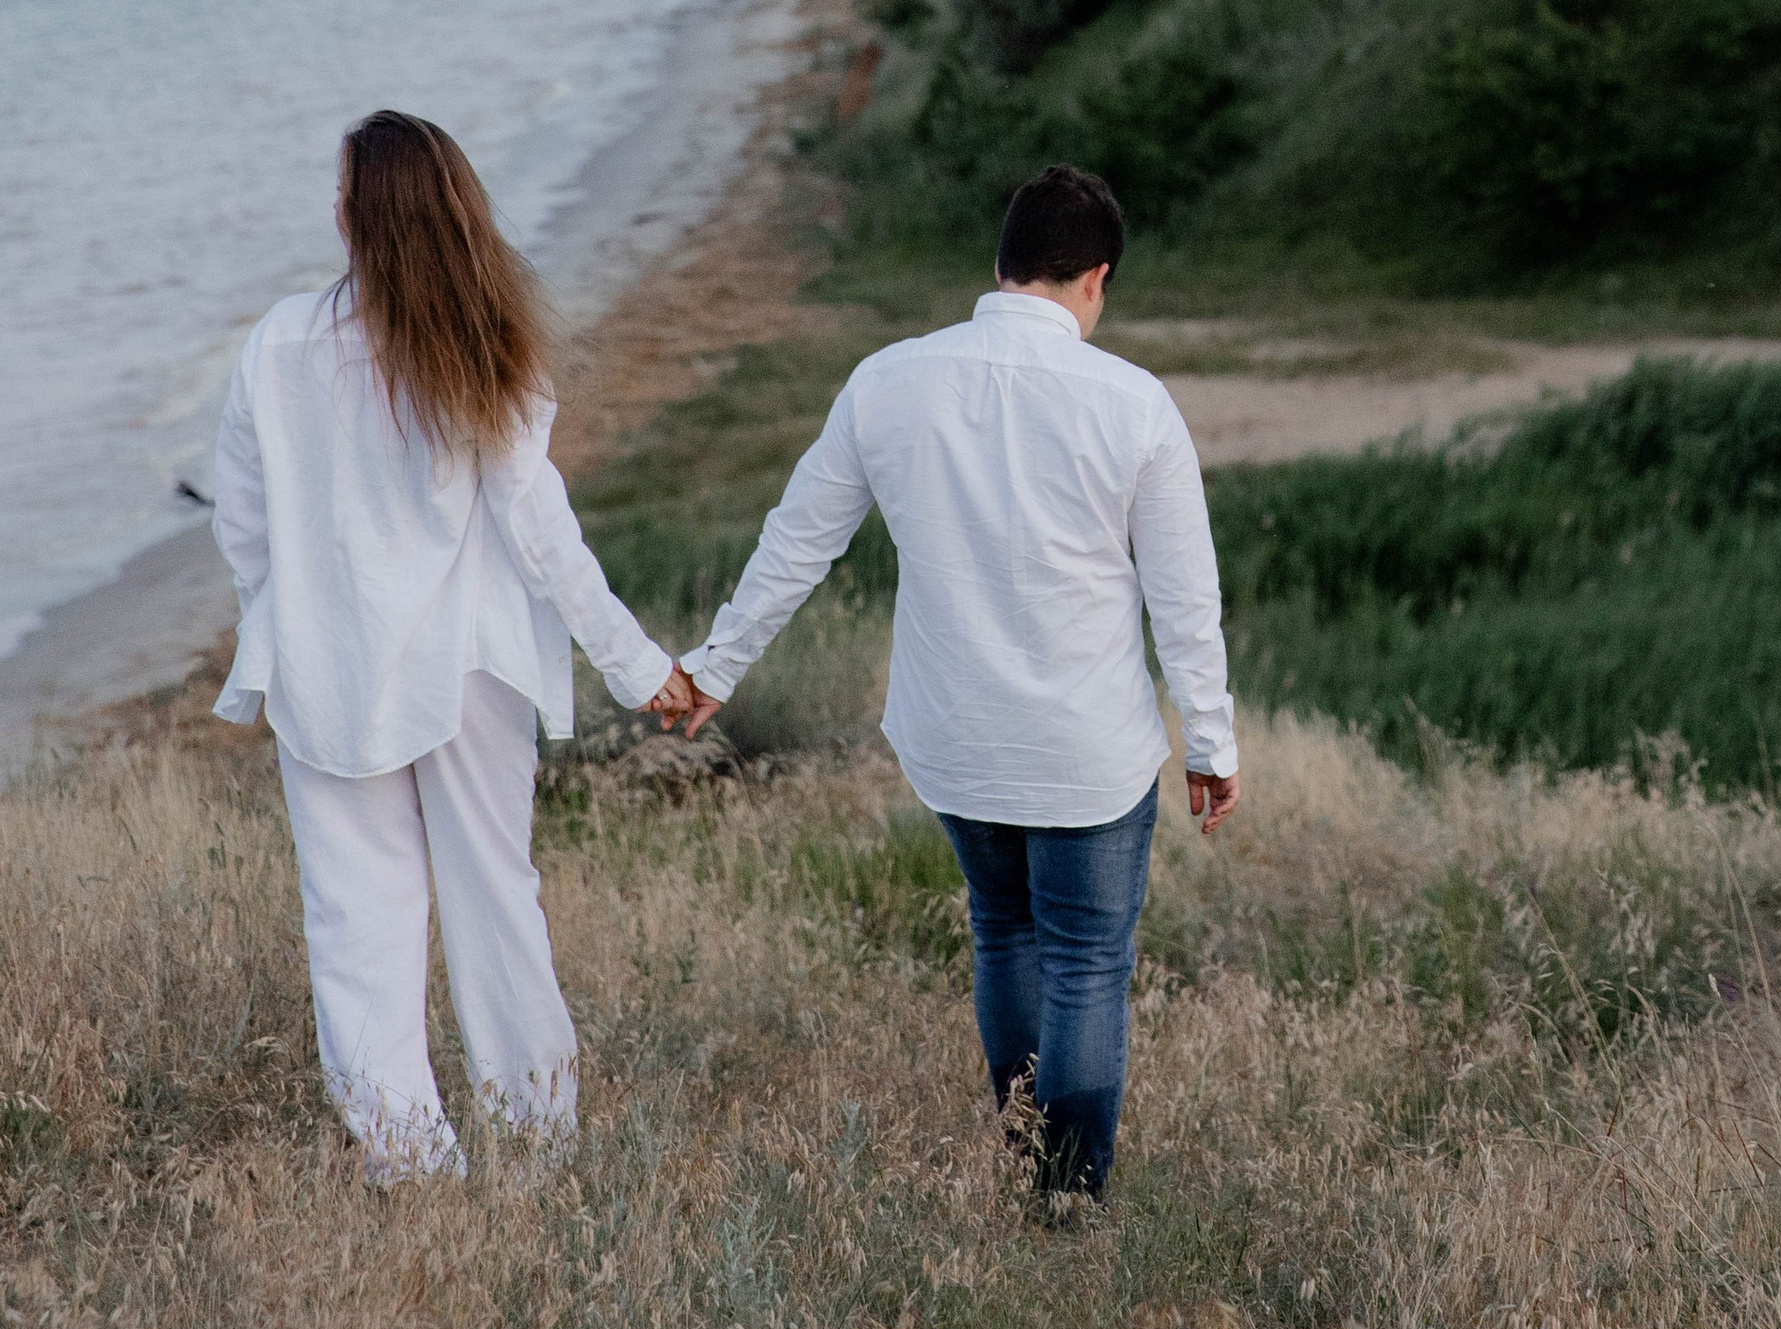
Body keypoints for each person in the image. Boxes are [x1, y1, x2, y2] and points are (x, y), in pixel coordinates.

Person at [656, 162, 1236, 1211]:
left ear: (1001, 264)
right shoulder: (1133, 403)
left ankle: (1025, 1161)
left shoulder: (889, 380)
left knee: (1004, 930)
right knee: (1085, 961)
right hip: (1086, 748)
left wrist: (716, 664)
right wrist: (1210, 743)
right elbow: (1185, 600)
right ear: (1095, 279)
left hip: (957, 740)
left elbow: (799, 540)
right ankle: (1069, 1198)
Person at [211, 110, 679, 1181]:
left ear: (354, 217)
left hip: (325, 670)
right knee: (495, 902)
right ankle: (535, 1145)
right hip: (468, 664)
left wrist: (282, 621)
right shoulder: (481, 341)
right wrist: (639, 665)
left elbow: (242, 524)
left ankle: (411, 1164)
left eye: (342, 192)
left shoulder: (278, 343)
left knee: (355, 924)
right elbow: (538, 528)